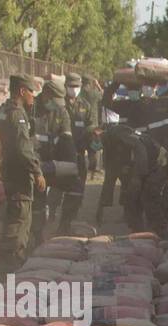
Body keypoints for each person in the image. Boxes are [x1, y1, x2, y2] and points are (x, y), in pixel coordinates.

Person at [0, 74, 46, 263]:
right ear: (22, 91)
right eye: (31, 92)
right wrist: (37, 171)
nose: (33, 96)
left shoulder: (2, 110)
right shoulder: (17, 114)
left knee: (14, 212)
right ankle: (13, 258)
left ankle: (10, 255)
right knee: (20, 217)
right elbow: (23, 148)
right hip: (19, 172)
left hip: (8, 167)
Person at [32, 75, 75, 244]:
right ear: (46, 95)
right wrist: (37, 169)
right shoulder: (30, 108)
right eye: (55, 100)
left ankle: (60, 224)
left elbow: (66, 138)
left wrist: (70, 163)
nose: (56, 105)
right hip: (33, 162)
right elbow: (26, 144)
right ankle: (35, 236)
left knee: (64, 188)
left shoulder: (61, 111)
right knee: (37, 202)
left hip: (51, 162)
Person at [58, 73, 97, 230]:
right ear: (65, 87)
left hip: (79, 155)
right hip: (60, 155)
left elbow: (94, 132)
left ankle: (67, 222)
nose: (73, 90)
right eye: (71, 87)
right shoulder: (59, 105)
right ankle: (50, 217)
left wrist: (94, 155)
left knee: (76, 192)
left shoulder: (86, 106)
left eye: (76, 87)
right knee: (56, 191)